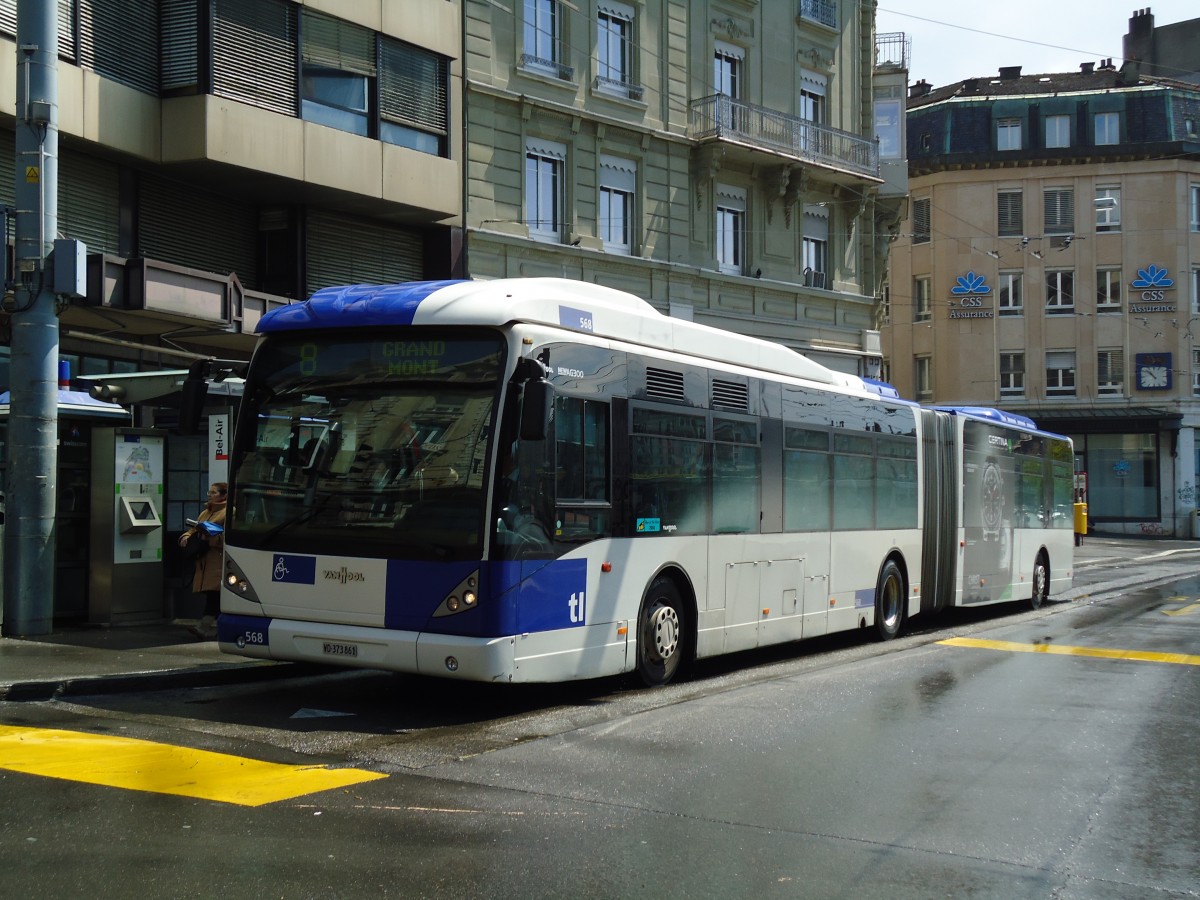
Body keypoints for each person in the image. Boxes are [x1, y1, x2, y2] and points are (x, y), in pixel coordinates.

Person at [179, 482, 227, 640]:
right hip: (204, 560)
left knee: (215, 595)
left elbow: (227, 538)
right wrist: (186, 537)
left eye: (214, 493)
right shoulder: (205, 512)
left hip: (217, 560)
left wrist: (210, 536)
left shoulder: (229, 512)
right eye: (209, 492)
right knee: (214, 595)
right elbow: (193, 530)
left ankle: (204, 627)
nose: (210, 495)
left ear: (223, 495)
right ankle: (216, 628)